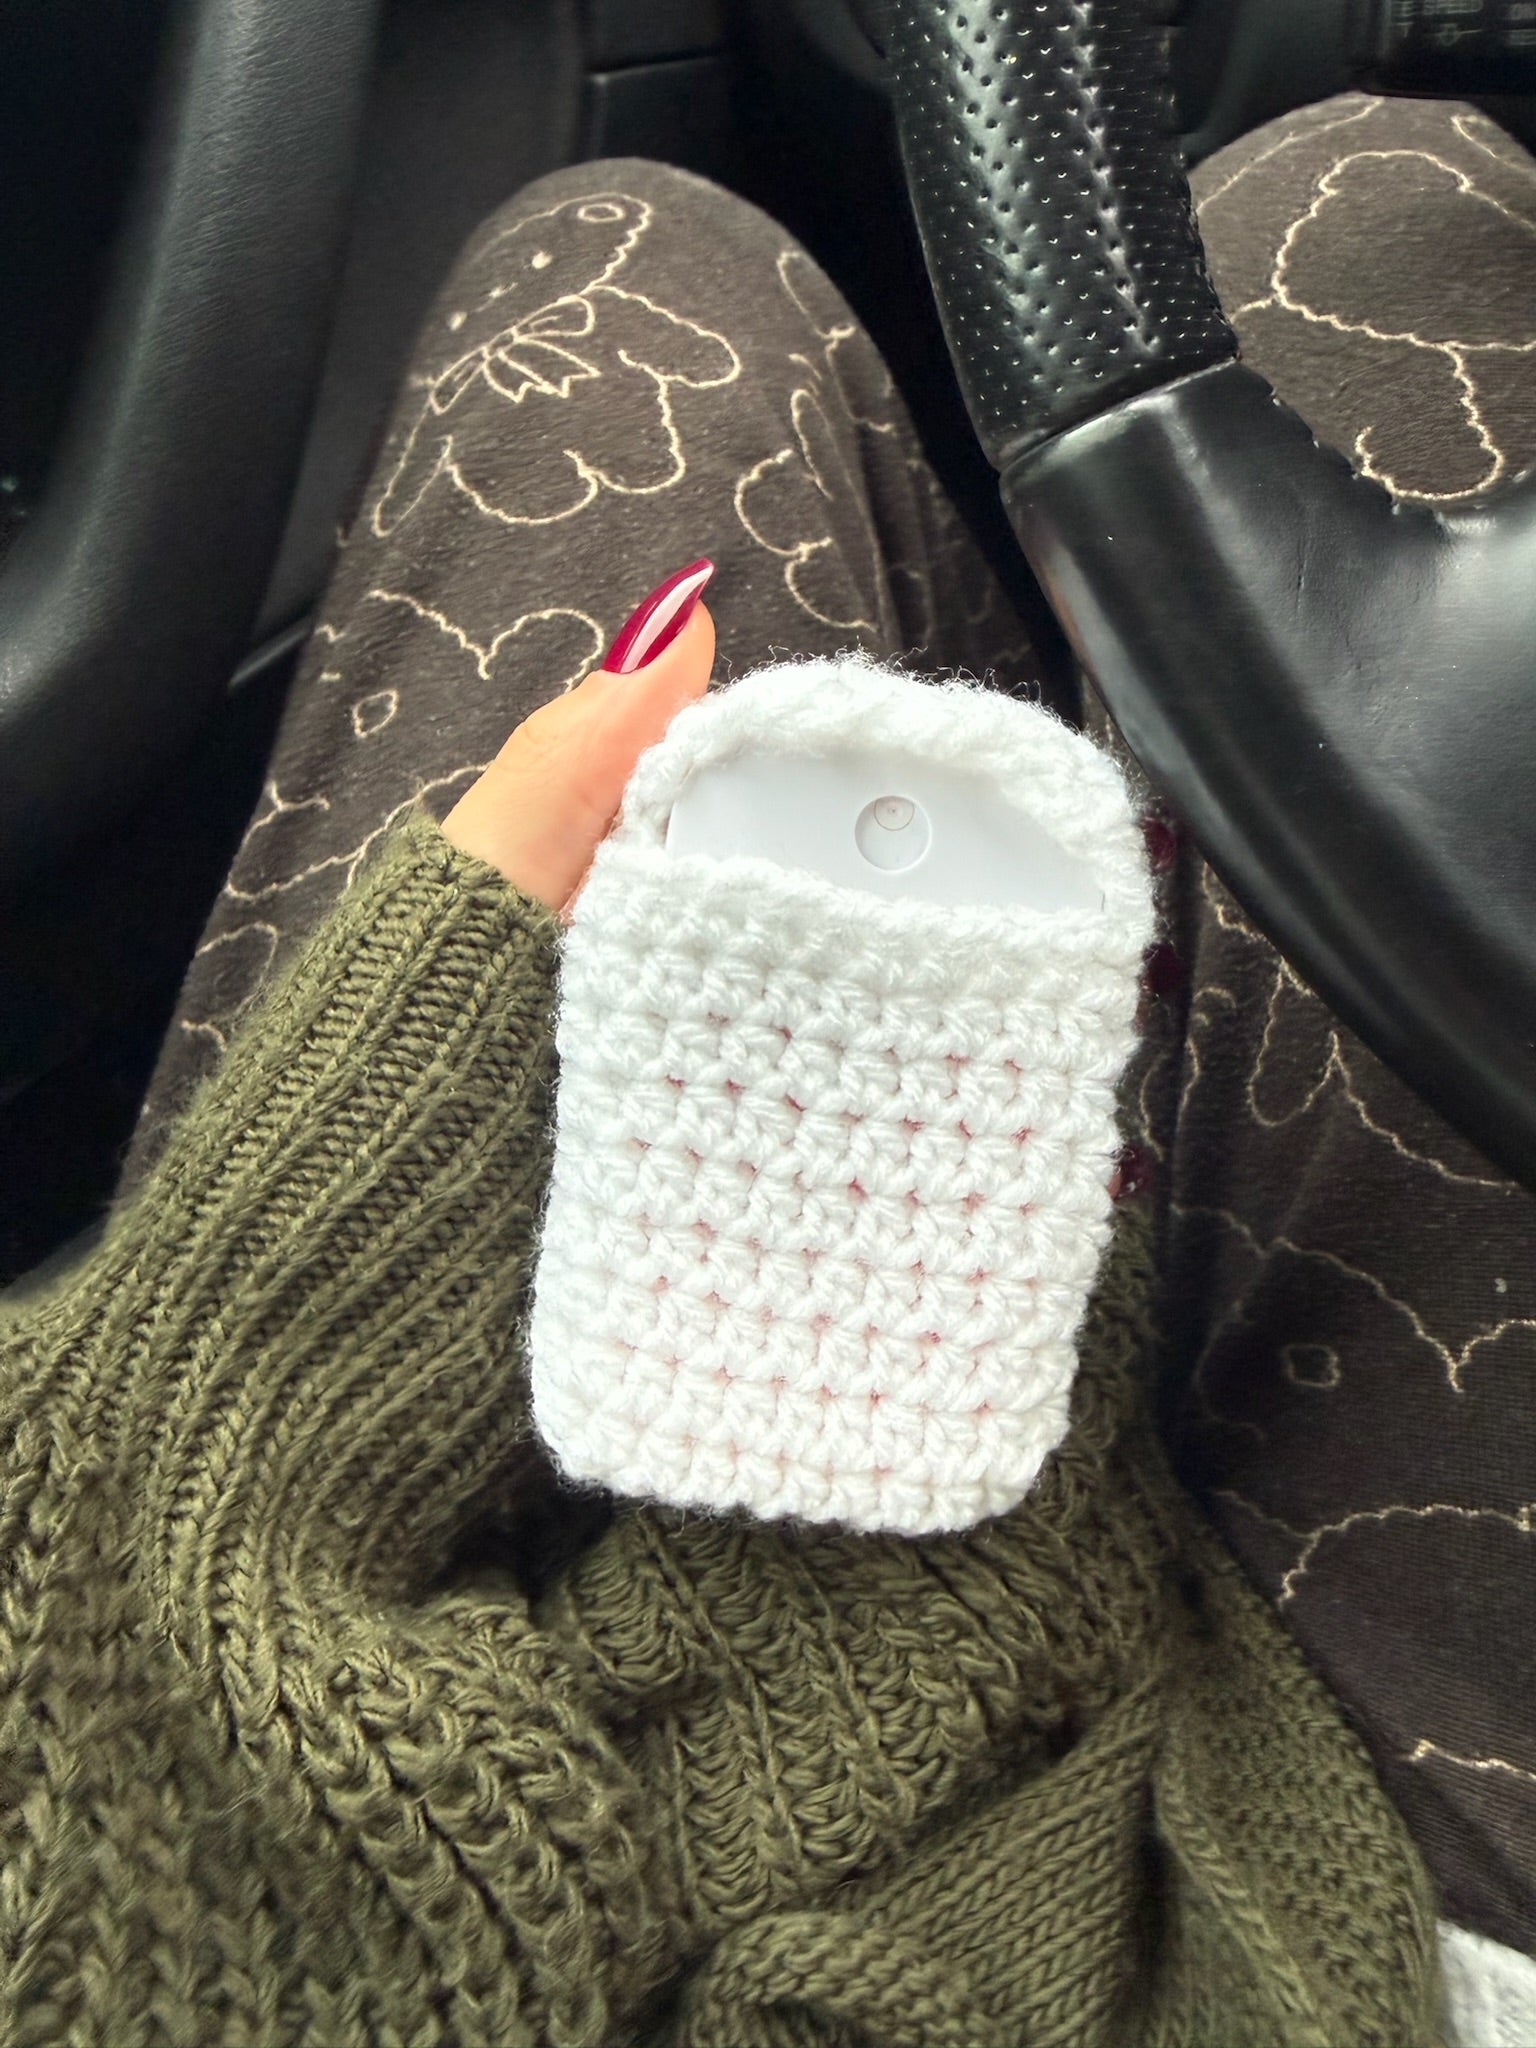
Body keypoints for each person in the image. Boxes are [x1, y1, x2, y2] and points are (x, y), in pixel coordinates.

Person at [3, 92, 1534, 2045]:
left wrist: (142, 1551)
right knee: (1372, 223)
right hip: (1371, 1943)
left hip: (392, 1754)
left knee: (625, 284)